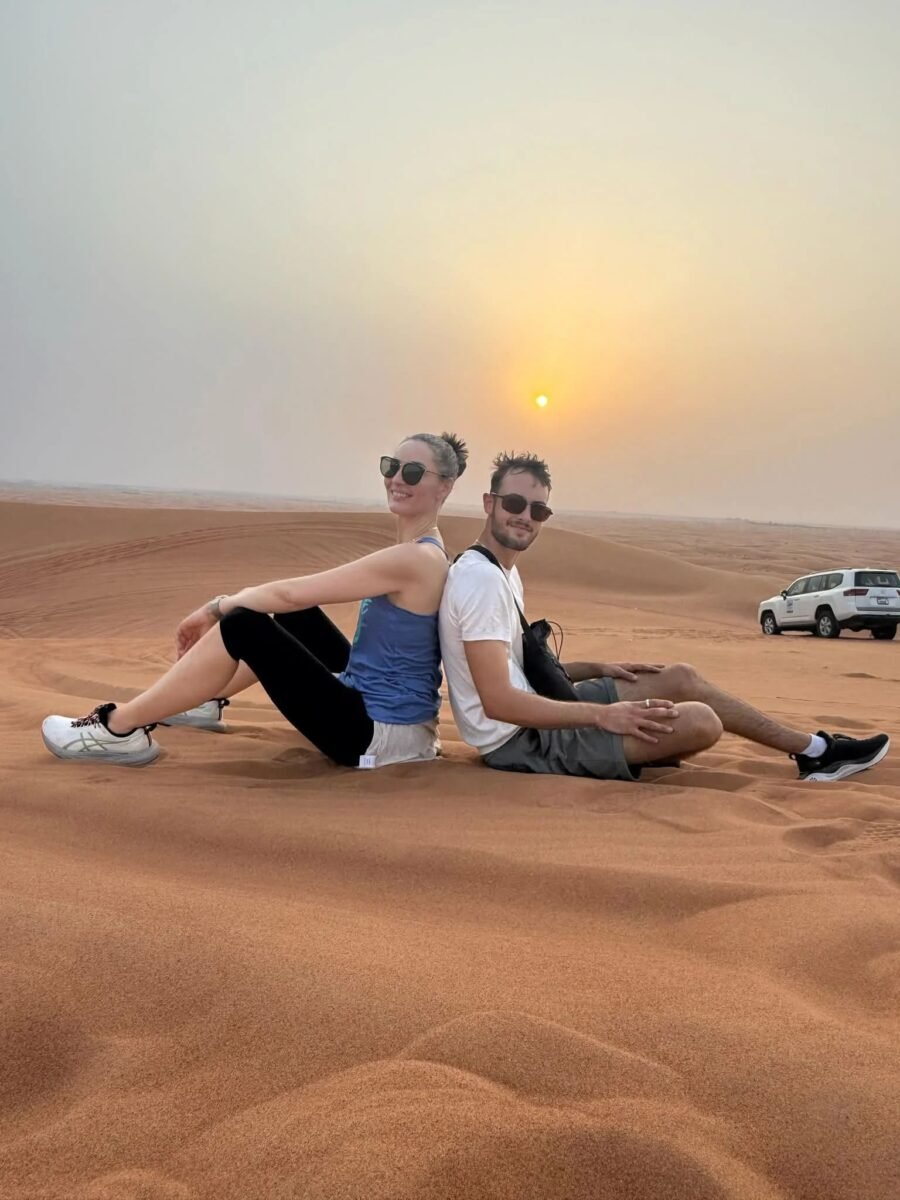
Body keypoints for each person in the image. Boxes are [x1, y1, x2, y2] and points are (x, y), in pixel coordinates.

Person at [438, 451, 890, 783]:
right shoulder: (480, 579)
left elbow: (509, 666)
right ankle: (627, 751)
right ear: (489, 502)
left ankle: (815, 751)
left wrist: (596, 669)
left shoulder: (501, 572)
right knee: (700, 722)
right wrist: (602, 717)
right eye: (514, 504)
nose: (525, 518)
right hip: (521, 743)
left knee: (681, 677)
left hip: (541, 705)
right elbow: (498, 702)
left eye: (538, 510)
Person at [42, 433, 468, 769]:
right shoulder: (423, 552)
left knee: (243, 623)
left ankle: (118, 730)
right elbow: (293, 602)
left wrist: (216, 607)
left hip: (377, 737)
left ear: (444, 488)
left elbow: (290, 591)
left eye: (413, 472)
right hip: (377, 710)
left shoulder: (417, 559)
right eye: (391, 466)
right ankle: (201, 700)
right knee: (292, 615)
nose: (396, 479)